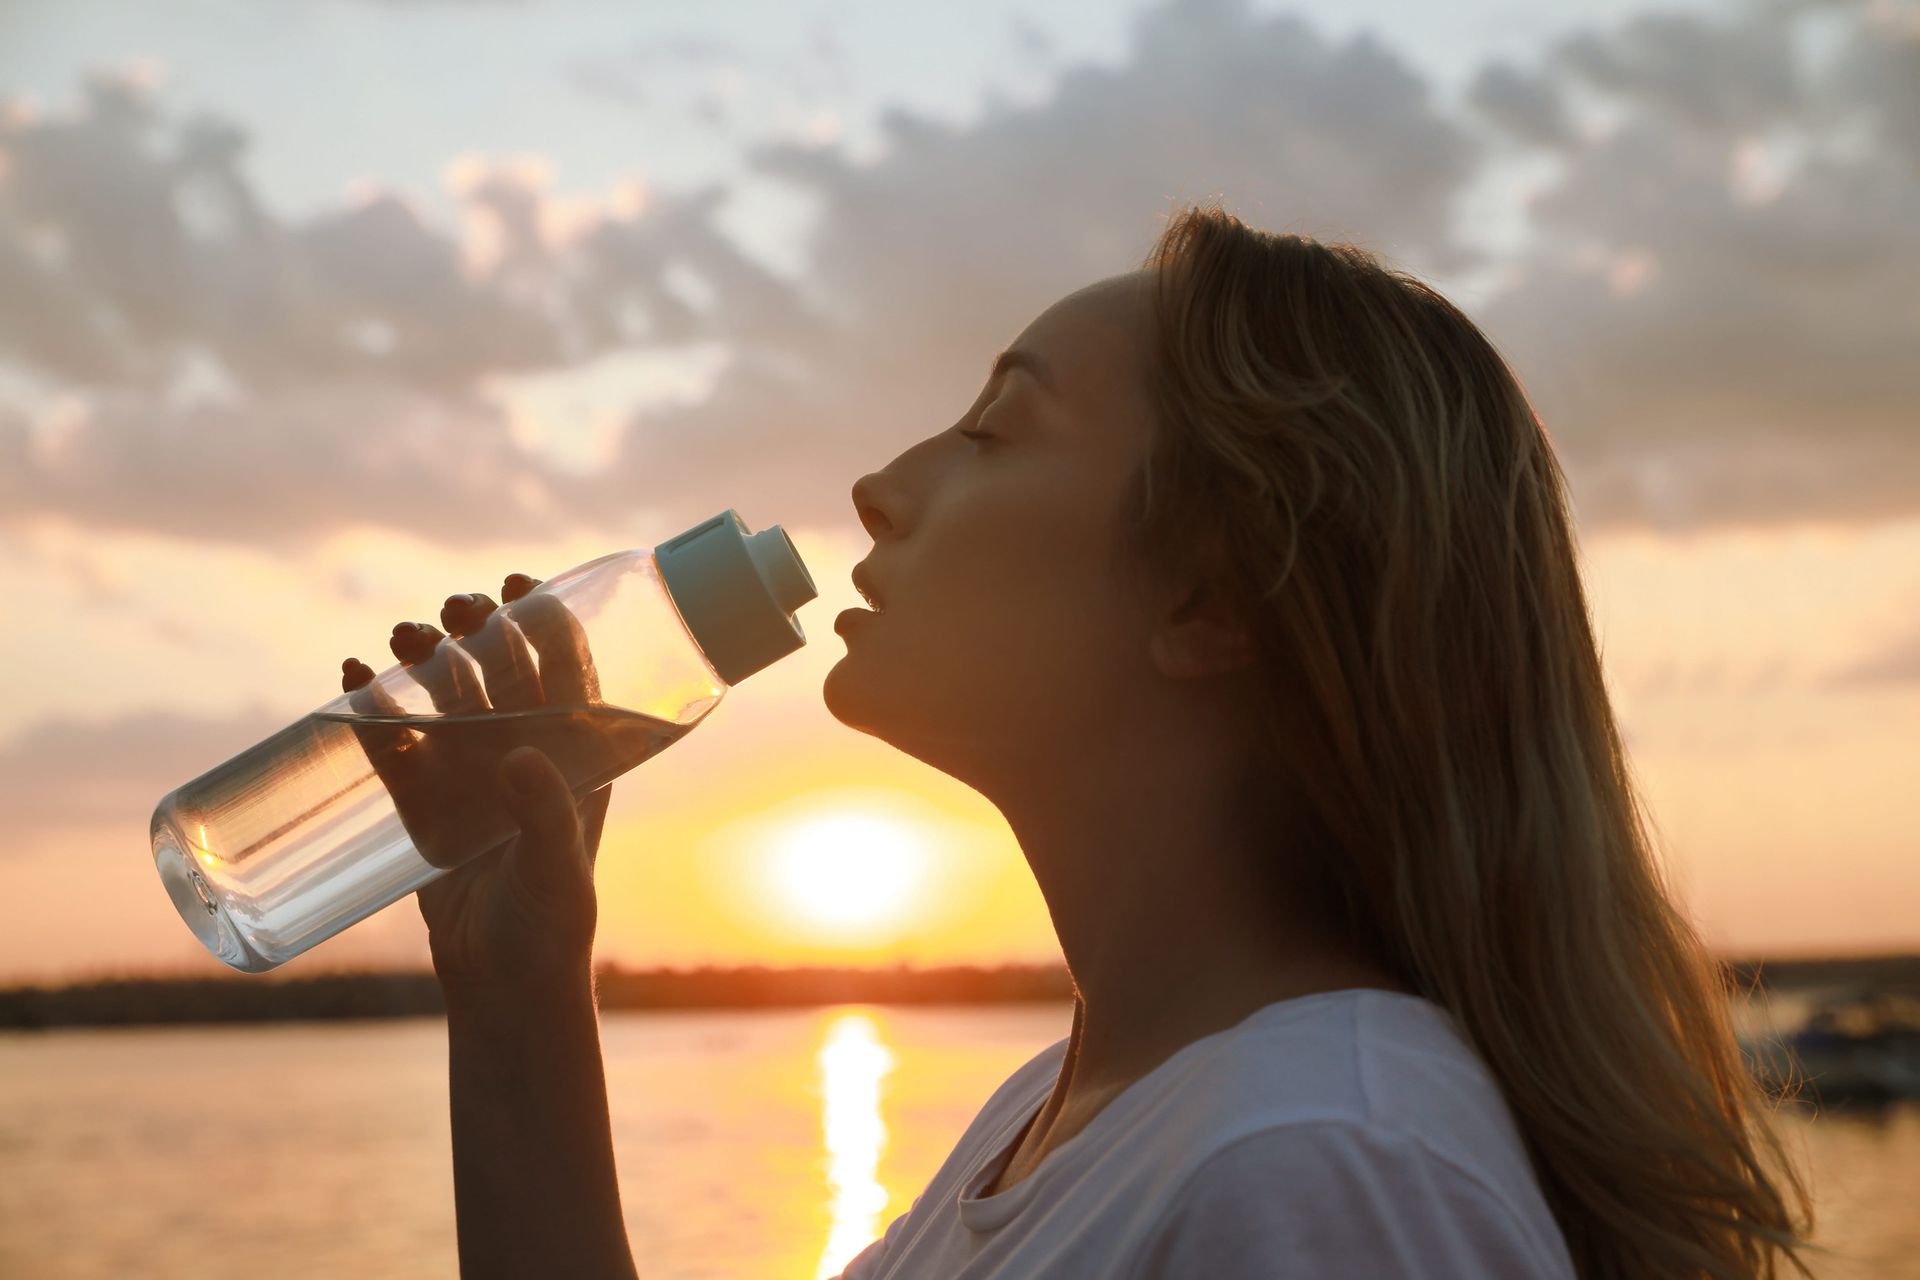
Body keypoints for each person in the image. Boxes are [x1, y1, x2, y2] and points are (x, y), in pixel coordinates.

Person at [341, 203, 1815, 1278]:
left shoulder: (1318, 1167)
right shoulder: (1076, 1132)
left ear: (1208, 591)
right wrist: (516, 988)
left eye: (991, 428)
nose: (877, 486)